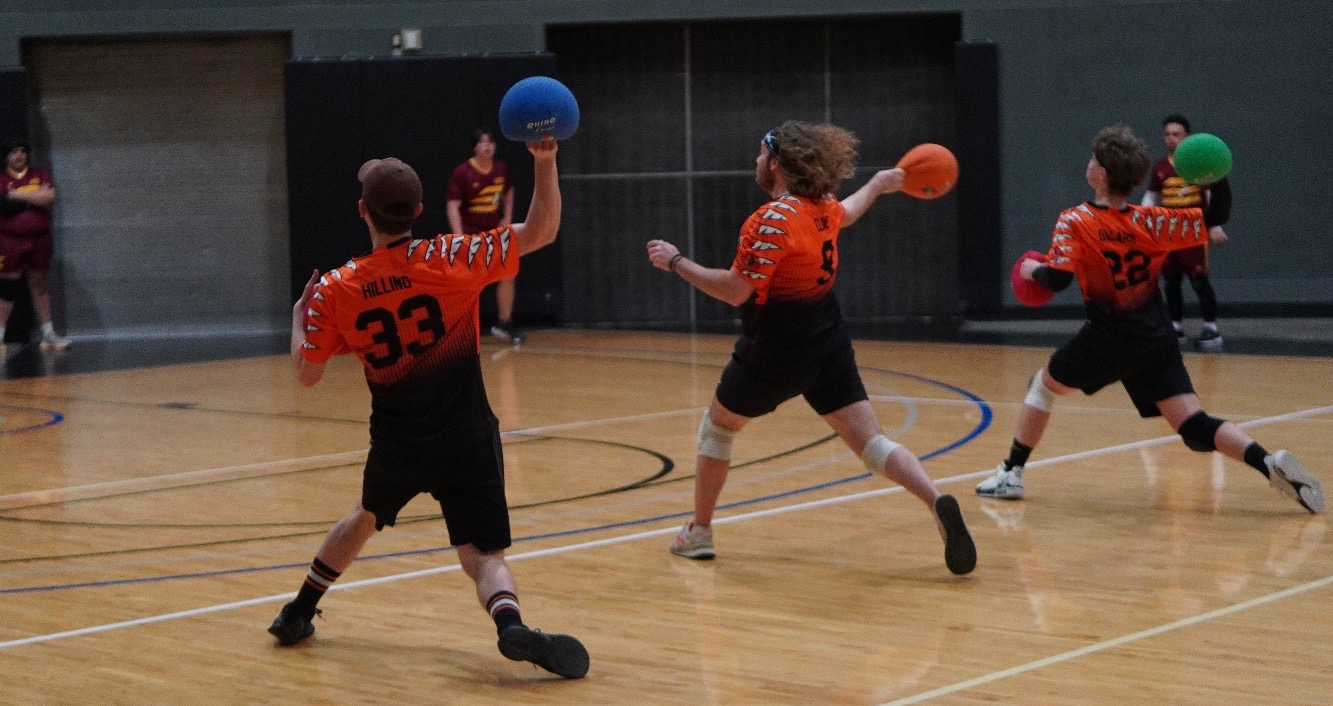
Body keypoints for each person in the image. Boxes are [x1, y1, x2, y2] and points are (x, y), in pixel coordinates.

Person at [269, 140, 590, 679]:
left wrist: (299, 317)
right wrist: (543, 159)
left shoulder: (335, 290)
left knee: (365, 516)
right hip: (466, 435)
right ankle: (510, 625)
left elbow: (307, 373)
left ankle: (298, 611)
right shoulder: (455, 258)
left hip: (399, 442)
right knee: (481, 555)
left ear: (362, 212)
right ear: (419, 213)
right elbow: (542, 230)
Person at [645, 121, 977, 576]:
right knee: (871, 443)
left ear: (777, 164)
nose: (756, 163)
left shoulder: (771, 220)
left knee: (717, 428)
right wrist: (880, 185)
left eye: (760, 156)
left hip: (777, 350)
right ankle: (935, 499)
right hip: (829, 342)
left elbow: (737, 290)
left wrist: (677, 262)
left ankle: (699, 531)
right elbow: (849, 210)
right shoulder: (821, 208)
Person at [975, 125, 1322, 516]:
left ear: (1101, 174)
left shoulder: (1076, 220)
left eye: (1093, 159)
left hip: (1109, 338)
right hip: (1156, 338)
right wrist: (1217, 177)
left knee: (1042, 386)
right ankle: (1268, 462)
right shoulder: (1153, 220)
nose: (1088, 164)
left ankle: (1011, 473)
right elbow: (1216, 215)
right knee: (1193, 425)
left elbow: (1056, 280)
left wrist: (1030, 271)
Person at [1141, 114, 1232, 351]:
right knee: (1171, 281)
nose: (1171, 139)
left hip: (1194, 233)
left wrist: (1214, 226)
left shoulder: (1197, 165)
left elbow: (1212, 198)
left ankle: (1211, 327)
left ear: (1187, 137)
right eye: (1167, 134)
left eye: (1176, 134)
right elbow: (1151, 197)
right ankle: (1175, 325)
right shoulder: (1160, 167)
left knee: (1199, 280)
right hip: (1168, 234)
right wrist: (1141, 223)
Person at [448, 127, 522, 344]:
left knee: (509, 274)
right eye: (482, 142)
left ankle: (504, 323)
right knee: (469, 283)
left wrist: (507, 216)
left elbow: (509, 190)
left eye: (490, 142)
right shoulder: (463, 172)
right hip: (472, 236)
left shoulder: (500, 168)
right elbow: (452, 206)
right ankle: (463, 329)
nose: (487, 146)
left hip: (495, 234)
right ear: (474, 147)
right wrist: (459, 237)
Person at [1, 138, 71, 353]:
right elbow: (4, 205)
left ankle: (49, 334)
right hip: (10, 242)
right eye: (14, 152)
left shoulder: (39, 174)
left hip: (39, 241)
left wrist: (16, 195)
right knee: (7, 289)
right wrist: (33, 196)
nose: (19, 155)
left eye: (22, 151)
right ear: (7, 156)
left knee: (39, 287)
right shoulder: (2, 179)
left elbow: (49, 197)